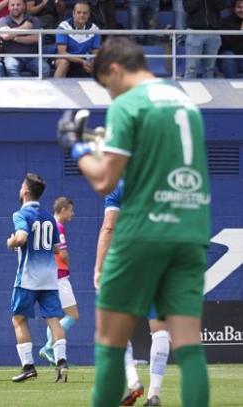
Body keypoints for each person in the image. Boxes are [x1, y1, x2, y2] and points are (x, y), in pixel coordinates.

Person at [58, 36, 211, 406]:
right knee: (188, 344)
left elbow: (104, 180)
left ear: (114, 70)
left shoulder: (128, 105)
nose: (110, 96)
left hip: (145, 233)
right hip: (190, 233)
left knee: (110, 341)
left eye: (107, 87)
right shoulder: (185, 103)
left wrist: (76, 146)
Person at [95, 181, 170, 407]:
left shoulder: (118, 188)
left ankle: (133, 380)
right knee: (160, 330)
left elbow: (109, 227)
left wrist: (99, 267)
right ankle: (154, 394)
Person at [7, 173, 68, 383]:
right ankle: (61, 362)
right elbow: (57, 249)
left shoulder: (20, 214)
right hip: (49, 277)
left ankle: (28, 366)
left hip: (28, 277)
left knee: (18, 319)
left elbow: (21, 237)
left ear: (25, 191)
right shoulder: (49, 217)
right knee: (53, 320)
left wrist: (11, 242)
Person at [39, 196, 77, 365]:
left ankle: (53, 351)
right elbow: (62, 253)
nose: (72, 214)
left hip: (48, 275)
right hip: (59, 275)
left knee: (54, 318)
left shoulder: (47, 224)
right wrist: (68, 263)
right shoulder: (58, 226)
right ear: (63, 209)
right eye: (70, 210)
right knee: (73, 314)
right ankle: (48, 346)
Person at [0, 0, 51, 77]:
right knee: (11, 67)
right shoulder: (3, 20)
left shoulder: (33, 19)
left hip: (32, 57)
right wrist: (24, 28)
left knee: (45, 69)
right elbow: (5, 36)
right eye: (12, 5)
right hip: (12, 56)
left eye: (18, 5)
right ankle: (19, 88)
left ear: (24, 6)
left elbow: (35, 38)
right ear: (8, 7)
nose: (15, 7)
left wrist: (14, 38)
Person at [54, 1, 100, 78]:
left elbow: (95, 53)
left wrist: (91, 62)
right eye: (79, 12)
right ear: (73, 14)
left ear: (89, 15)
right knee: (63, 63)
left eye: (85, 13)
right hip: (66, 59)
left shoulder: (94, 29)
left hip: (85, 60)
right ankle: (55, 89)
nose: (82, 15)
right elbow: (62, 53)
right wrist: (82, 61)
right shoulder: (64, 27)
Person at [183, 0, 227, 78]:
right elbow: (187, 8)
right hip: (195, 32)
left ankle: (209, 89)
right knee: (191, 69)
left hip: (213, 32)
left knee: (209, 69)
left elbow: (221, 6)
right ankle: (188, 89)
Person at [220, 0, 243, 79]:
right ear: (234, 8)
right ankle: (231, 85)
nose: (242, 10)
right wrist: (240, 32)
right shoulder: (226, 21)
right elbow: (225, 44)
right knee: (228, 55)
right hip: (233, 56)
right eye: (239, 7)